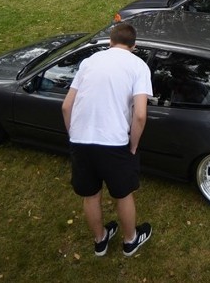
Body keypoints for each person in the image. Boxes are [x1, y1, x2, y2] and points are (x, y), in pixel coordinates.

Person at [61, 23, 153, 258]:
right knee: (122, 194)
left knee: (90, 195)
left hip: (81, 140)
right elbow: (141, 115)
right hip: (113, 143)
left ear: (110, 42)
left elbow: (66, 106)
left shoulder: (89, 62)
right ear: (134, 46)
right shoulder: (138, 66)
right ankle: (130, 241)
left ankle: (100, 240)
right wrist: (133, 145)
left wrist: (74, 137)